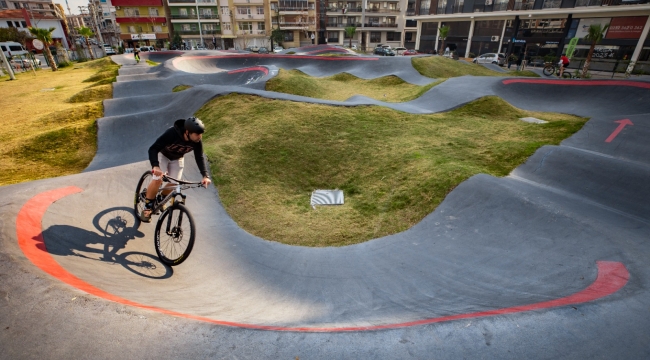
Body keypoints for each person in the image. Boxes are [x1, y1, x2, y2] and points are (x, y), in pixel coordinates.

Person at [140, 117, 212, 222]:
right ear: (187, 132)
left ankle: (161, 197)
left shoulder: (197, 141)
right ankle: (148, 205)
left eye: (201, 134)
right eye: (197, 134)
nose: (199, 137)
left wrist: (205, 176)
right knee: (157, 179)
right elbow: (153, 148)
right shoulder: (172, 133)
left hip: (177, 158)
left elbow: (199, 157)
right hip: (163, 155)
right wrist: (155, 166)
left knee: (174, 184)